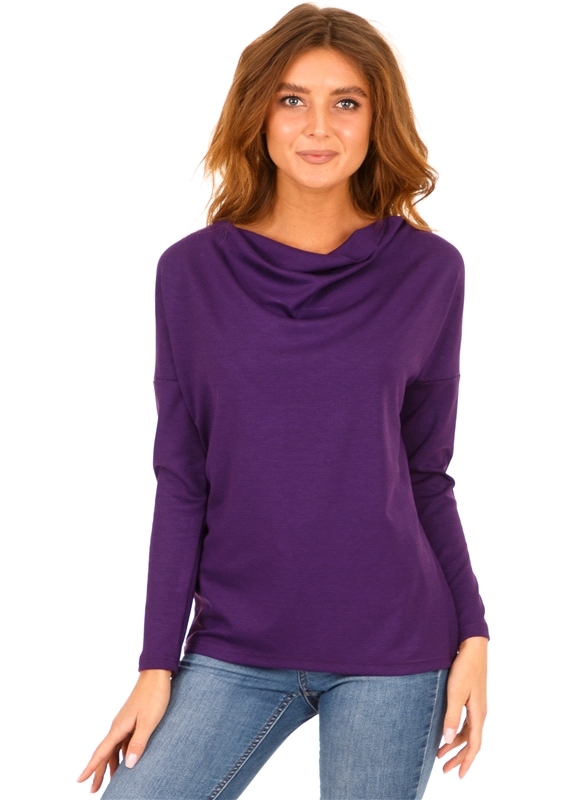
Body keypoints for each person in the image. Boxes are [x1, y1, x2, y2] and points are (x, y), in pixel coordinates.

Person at [77, 4, 490, 798]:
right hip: (236, 643)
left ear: (376, 120)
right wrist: (156, 664)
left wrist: (473, 633)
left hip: (395, 644)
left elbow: (425, 471)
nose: (318, 127)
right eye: (292, 99)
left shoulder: (429, 272)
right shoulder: (190, 273)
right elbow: (182, 478)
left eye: (346, 102)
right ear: (258, 114)